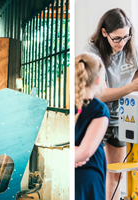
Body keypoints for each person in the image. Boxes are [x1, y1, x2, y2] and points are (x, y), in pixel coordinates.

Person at [83, 8, 138, 200]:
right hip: (98, 117)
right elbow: (100, 94)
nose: (122, 43)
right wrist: (131, 87)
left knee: (117, 173)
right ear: (104, 32)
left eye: (126, 37)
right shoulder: (92, 54)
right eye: (117, 38)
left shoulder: (130, 46)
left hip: (123, 119)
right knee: (94, 174)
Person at [75, 53, 110, 200]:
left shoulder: (72, 104)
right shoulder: (99, 109)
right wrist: (76, 154)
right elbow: (85, 152)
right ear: (98, 79)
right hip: (89, 175)